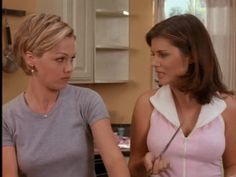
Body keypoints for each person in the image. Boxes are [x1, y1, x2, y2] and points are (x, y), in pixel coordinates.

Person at [2, 13, 130, 177]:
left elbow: (114, 161)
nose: (69, 68)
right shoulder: (7, 117)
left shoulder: (87, 101)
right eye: (60, 59)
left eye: (72, 59)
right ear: (30, 59)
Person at [128, 14, 236, 177]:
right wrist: (145, 164)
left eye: (163, 54)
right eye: (153, 54)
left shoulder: (227, 107)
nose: (154, 63)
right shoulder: (147, 104)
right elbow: (133, 168)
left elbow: (233, 165)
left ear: (192, 56)